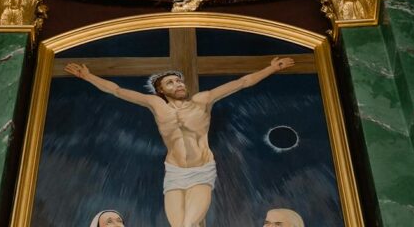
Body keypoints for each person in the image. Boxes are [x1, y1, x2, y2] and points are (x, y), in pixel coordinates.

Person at [66, 57, 295, 227]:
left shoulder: (202, 100)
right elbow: (117, 90)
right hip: (175, 173)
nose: (178, 84)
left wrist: (271, 68)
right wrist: (87, 76)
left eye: (179, 81)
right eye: (171, 83)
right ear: (161, 90)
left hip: (200, 171)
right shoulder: (156, 105)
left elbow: (242, 82)